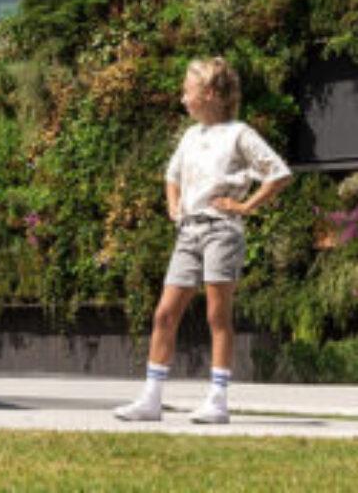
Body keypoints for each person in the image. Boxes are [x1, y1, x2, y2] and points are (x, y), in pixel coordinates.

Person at [114, 58, 291, 425]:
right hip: (188, 232)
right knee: (165, 313)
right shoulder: (190, 136)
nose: (182, 98)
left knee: (216, 314)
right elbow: (172, 174)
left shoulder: (239, 133)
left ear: (209, 94)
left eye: (187, 91)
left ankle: (217, 399)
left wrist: (244, 206)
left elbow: (278, 173)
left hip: (221, 231)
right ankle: (151, 398)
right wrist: (173, 204)